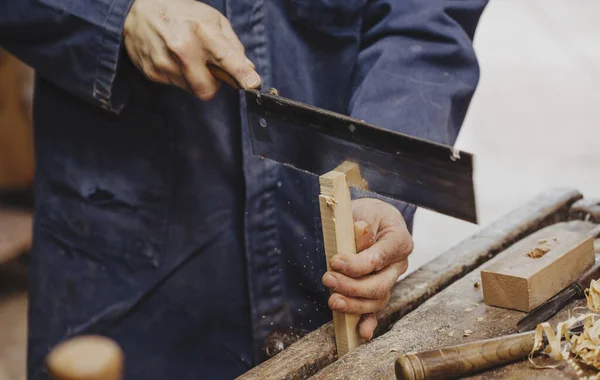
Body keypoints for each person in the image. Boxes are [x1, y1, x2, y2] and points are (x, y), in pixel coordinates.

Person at [0, 0, 487, 378]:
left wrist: (377, 183)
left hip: (316, 234)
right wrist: (118, 15)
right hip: (125, 246)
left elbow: (422, 19)